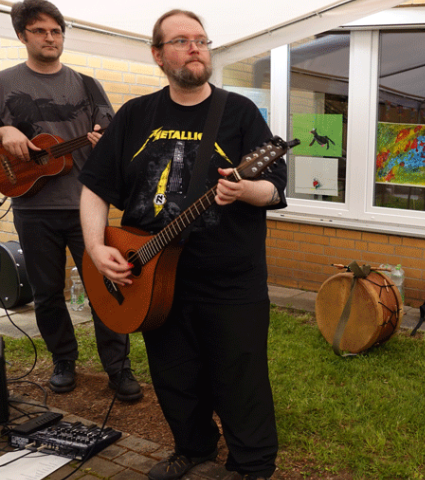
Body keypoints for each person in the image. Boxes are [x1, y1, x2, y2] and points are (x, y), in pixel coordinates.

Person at [78, 10, 285, 480]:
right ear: (157, 55)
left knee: (240, 380)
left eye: (201, 40)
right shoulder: (135, 114)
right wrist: (94, 247)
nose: (195, 47)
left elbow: (274, 188)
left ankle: (251, 466)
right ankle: (193, 450)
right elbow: (94, 186)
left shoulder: (239, 112)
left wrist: (242, 189)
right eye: (180, 41)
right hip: (149, 278)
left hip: (230, 280)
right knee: (175, 377)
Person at [0, 0, 140, 401]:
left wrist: (104, 140)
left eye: (56, 31)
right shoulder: (4, 82)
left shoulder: (87, 84)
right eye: (41, 31)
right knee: (46, 292)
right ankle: (64, 360)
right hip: (32, 207)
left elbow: (114, 139)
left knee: (107, 288)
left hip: (86, 207)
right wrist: (2, 132)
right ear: (22, 35)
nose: (50, 38)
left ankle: (118, 367)